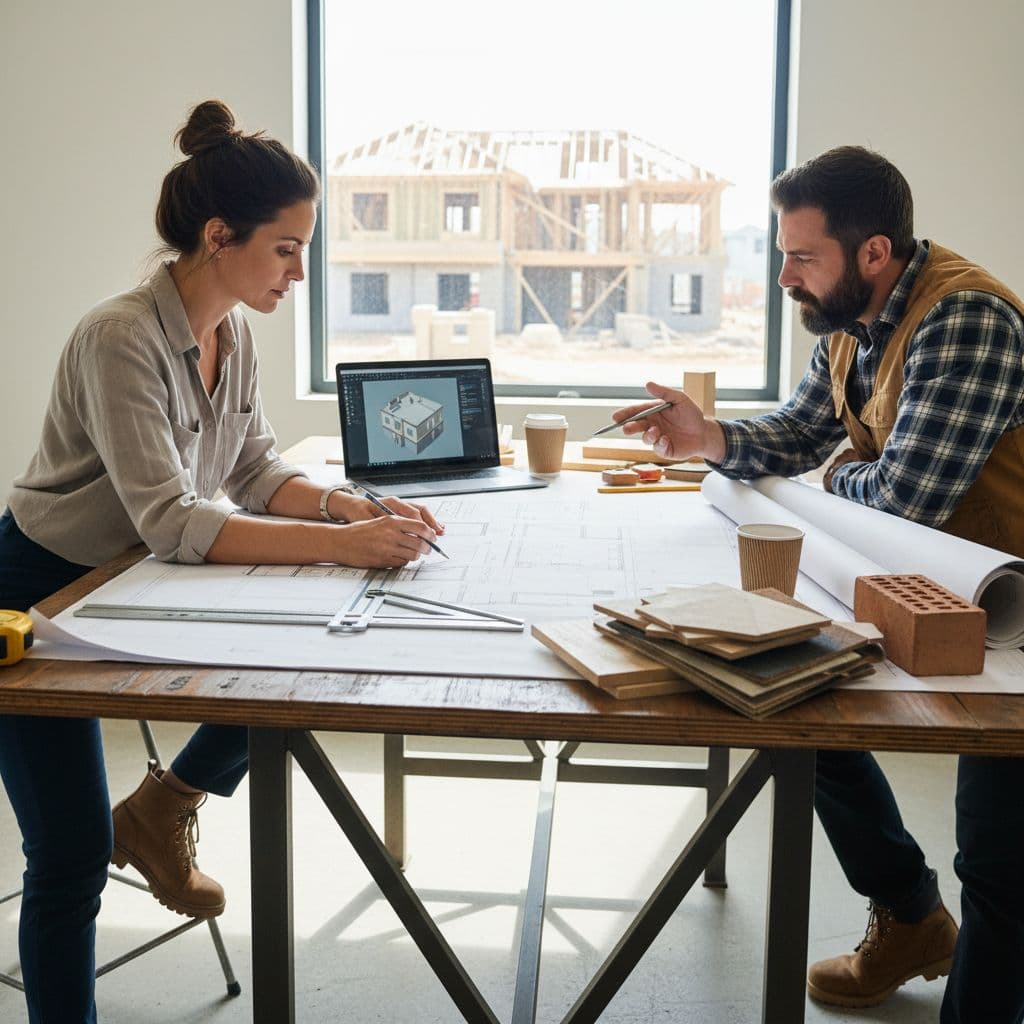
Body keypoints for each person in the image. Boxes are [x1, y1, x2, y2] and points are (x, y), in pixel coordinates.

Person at [0, 99, 442, 1024]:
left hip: (140, 581)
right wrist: (341, 545)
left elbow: (249, 466)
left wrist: (344, 505)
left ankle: (165, 804)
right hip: (41, 593)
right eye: (286, 247)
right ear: (218, 235)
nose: (300, 269)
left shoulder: (230, 329)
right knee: (71, 858)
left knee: (302, 657)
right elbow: (173, 518)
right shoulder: (118, 336)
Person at [612, 146, 1024, 1023]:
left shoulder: (968, 318)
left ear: (874, 252)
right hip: (917, 585)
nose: (783, 276)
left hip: (1011, 614)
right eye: (782, 253)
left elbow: (907, 497)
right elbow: (802, 433)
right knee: (794, 710)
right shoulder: (849, 316)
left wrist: (830, 482)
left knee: (1000, 861)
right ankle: (912, 917)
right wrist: (709, 438)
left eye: (802, 257)